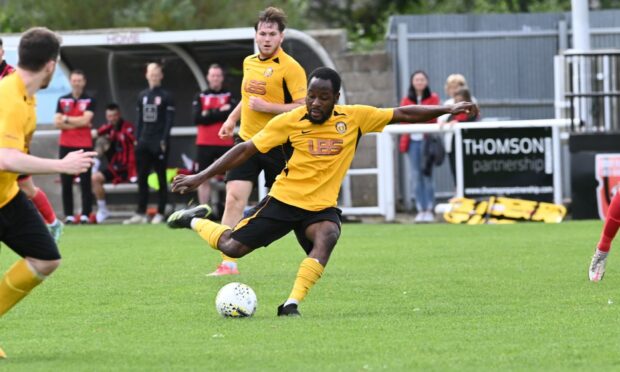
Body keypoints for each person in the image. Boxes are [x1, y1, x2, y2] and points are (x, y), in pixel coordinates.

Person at [167, 67, 477, 316]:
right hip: (283, 201)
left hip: (320, 208)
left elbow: (404, 113)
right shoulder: (290, 120)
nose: (315, 103)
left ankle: (291, 305)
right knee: (232, 247)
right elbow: (246, 148)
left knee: (328, 234)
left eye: (323, 97)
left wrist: (448, 109)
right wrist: (200, 176)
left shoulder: (354, 117)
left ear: (335, 98)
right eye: (311, 96)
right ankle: (192, 219)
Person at [0, 27, 96, 358]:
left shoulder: (27, 96)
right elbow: (5, 158)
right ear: (51, 65)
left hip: (6, 196)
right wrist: (62, 165)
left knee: (45, 258)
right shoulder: (9, 97)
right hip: (5, 187)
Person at [208, 6, 307, 276]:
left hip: (278, 145)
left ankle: (314, 255)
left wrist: (268, 107)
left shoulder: (291, 68)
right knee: (233, 199)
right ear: (255, 35)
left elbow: (303, 107)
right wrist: (231, 119)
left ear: (281, 37)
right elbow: (246, 98)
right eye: (262, 33)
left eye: (272, 34)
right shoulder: (249, 62)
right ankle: (227, 263)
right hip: (247, 142)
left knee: (290, 205)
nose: (266, 38)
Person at [1, 37, 63, 241]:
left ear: (2, 52)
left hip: (9, 144)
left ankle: (53, 223)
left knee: (27, 188)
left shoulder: (12, 77)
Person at [124, 62, 175, 225]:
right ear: (147, 75)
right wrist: (137, 139)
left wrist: (163, 140)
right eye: (151, 72)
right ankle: (141, 212)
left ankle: (161, 211)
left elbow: (169, 121)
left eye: (156, 72)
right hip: (143, 142)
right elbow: (139, 120)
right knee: (142, 177)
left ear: (161, 75)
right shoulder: (142, 95)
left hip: (158, 142)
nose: (153, 75)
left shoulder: (166, 96)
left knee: (160, 177)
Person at [54, 69, 96, 224]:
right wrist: (76, 121)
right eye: (74, 80)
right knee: (66, 181)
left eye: (79, 80)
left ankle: (85, 214)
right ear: (70, 81)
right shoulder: (62, 100)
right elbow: (57, 122)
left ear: (84, 82)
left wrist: (66, 120)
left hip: (85, 145)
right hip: (66, 145)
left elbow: (86, 121)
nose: (77, 83)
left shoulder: (90, 100)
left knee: (85, 181)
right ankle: (69, 215)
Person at [398, 71, 440, 223]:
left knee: (427, 175)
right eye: (417, 79)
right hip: (412, 142)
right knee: (415, 176)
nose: (419, 82)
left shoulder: (433, 98)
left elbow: (433, 117)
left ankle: (429, 208)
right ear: (412, 82)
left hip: (427, 141)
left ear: (426, 81)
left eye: (422, 79)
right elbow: (404, 119)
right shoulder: (406, 99)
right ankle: (420, 208)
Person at [192, 63, 236, 207]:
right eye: (213, 75)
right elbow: (197, 118)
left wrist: (209, 112)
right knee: (203, 178)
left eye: (218, 75)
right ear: (208, 77)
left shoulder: (230, 95)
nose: (215, 78)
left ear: (222, 78)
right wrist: (219, 111)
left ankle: (225, 208)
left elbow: (233, 114)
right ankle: (203, 210)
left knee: (230, 177)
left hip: (225, 142)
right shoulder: (200, 95)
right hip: (204, 143)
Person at [91, 103, 137, 223]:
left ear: (119, 115)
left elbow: (135, 144)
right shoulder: (108, 129)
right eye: (109, 116)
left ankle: (141, 212)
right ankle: (103, 210)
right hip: (115, 168)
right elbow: (95, 133)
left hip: (129, 168)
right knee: (95, 178)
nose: (112, 119)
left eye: (114, 115)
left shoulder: (128, 128)